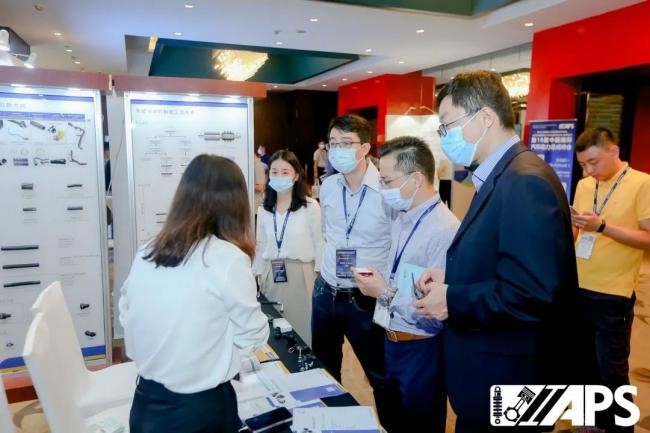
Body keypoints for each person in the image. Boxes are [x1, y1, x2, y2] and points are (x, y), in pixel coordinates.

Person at [414, 70, 579, 433]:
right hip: (493, 375)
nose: (444, 137)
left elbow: (531, 294)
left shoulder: (524, 181)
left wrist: (453, 299)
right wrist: (453, 277)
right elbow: (503, 260)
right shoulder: (503, 174)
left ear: (485, 118)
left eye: (447, 125)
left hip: (512, 379)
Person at [119, 155, 269, 433]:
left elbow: (126, 315)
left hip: (145, 405)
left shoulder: (147, 251)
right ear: (235, 204)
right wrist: (216, 349)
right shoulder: (228, 258)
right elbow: (253, 334)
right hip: (201, 409)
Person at [351, 136, 459, 433]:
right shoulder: (402, 218)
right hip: (390, 339)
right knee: (392, 421)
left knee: (420, 424)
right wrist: (380, 282)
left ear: (416, 179)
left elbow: (433, 310)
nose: (383, 188)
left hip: (421, 348)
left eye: (387, 181)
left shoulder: (445, 230)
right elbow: (400, 277)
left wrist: (383, 291)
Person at [313, 114, 398, 431]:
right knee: (324, 371)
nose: (337, 150)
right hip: (326, 292)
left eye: (345, 143)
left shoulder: (387, 190)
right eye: (333, 143)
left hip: (366, 299)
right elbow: (328, 233)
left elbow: (396, 244)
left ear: (365, 148)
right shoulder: (328, 186)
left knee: (381, 377)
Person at [571, 127, 650, 433]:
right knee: (581, 362)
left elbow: (647, 238)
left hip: (613, 293)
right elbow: (577, 234)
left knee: (611, 369)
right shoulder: (584, 185)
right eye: (583, 165)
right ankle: (590, 423)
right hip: (578, 286)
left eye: (593, 162)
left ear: (613, 151)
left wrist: (602, 226)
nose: (589, 170)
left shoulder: (642, 183)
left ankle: (619, 428)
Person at [253, 149, 323, 346]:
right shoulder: (264, 208)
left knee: (302, 333)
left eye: (285, 172)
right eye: (274, 172)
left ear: (296, 176)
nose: (279, 176)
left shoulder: (310, 206)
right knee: (274, 331)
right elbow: (260, 245)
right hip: (271, 274)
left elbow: (320, 243)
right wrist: (256, 275)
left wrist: (319, 278)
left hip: (302, 275)